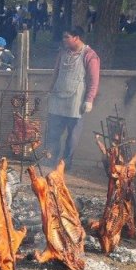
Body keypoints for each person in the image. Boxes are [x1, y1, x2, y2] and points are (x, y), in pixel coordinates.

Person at [44, 26, 100, 170]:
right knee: (53, 131)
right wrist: (49, 90)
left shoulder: (90, 55)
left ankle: (66, 164)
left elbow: (94, 80)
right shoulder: (62, 53)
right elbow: (55, 73)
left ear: (76, 38)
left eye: (66, 37)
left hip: (76, 100)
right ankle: (50, 160)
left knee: (72, 136)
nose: (64, 40)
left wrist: (89, 100)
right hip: (58, 96)